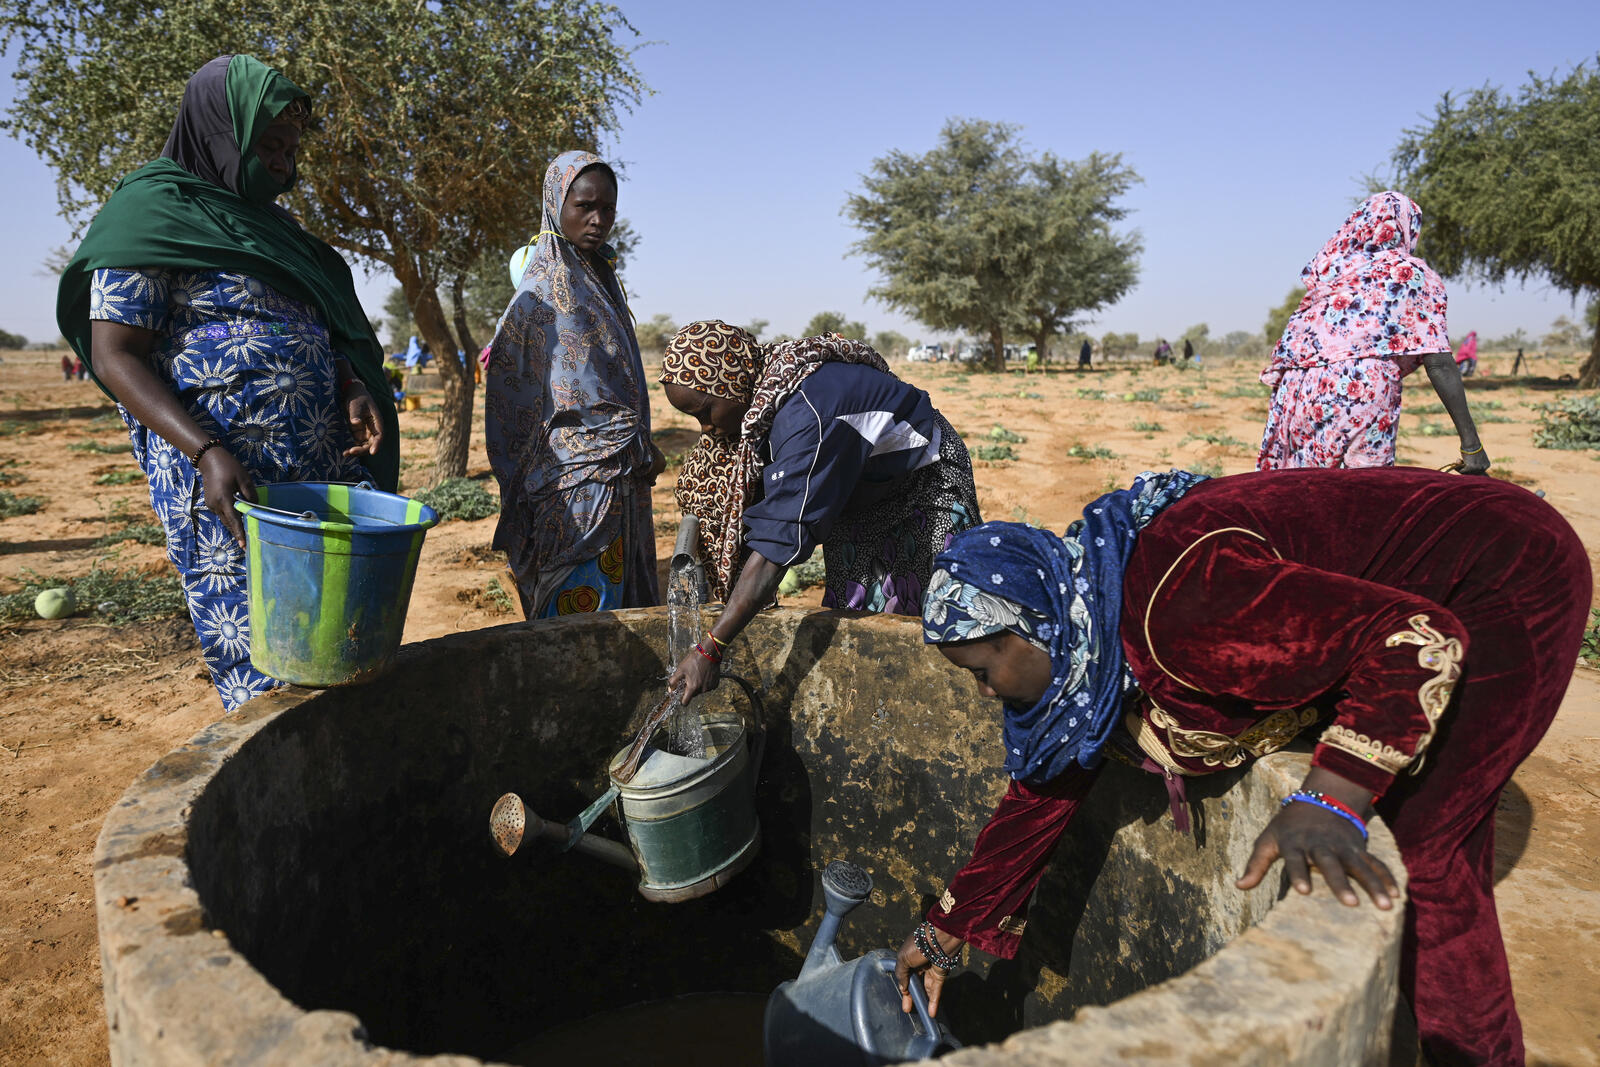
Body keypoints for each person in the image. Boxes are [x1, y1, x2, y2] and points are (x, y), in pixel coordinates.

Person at [894, 467, 1589, 1067]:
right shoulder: (1092, 640)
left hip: (1499, 575)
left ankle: (1475, 1053)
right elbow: (1047, 787)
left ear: (1034, 627)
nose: (985, 693)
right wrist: (949, 925)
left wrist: (1333, 796)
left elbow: (1413, 641)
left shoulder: (1182, 613)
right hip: (1422, 594)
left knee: (1427, 850)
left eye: (984, 670)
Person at [56, 55, 396, 712]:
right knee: (267, 655)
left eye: (291, 148)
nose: (282, 161)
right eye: (268, 145)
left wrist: (349, 382)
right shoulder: (149, 213)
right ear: (219, 133)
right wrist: (207, 451)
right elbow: (115, 354)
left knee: (343, 635)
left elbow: (323, 325)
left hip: (319, 464)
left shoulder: (281, 232)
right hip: (227, 482)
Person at [661, 325, 981, 700]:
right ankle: (878, 701)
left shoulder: (809, 418)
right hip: (859, 489)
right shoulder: (771, 389)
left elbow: (776, 546)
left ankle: (943, 703)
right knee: (858, 609)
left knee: (936, 613)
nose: (708, 428)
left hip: (923, 481)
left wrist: (711, 647)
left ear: (732, 383)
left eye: (705, 412)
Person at [484, 151, 664, 619]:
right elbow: (511, 398)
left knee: (626, 614)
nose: (598, 219)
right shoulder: (538, 295)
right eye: (584, 206)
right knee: (582, 618)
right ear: (556, 204)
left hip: (622, 477)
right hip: (574, 489)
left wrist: (635, 441)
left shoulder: (600, 284)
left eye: (608, 209)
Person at [1257, 192, 1487, 473]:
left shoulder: (1336, 269)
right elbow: (1438, 363)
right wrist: (1471, 445)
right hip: (1361, 389)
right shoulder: (1411, 273)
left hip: (1299, 390)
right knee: (1364, 492)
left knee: (1306, 487)